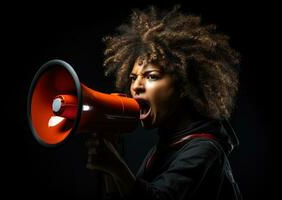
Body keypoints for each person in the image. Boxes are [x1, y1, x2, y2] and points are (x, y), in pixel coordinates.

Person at [85, 6, 242, 200]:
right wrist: (110, 158)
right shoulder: (163, 149)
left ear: (183, 85)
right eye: (133, 78)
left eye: (151, 76)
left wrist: (115, 166)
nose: (136, 86)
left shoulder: (204, 149)